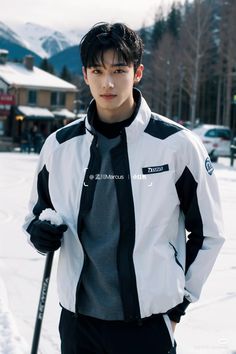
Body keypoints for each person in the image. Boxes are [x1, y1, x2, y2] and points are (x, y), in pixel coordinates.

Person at [23, 22, 224, 354]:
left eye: (119, 69)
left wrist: (178, 306)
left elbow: (209, 233)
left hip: (146, 329)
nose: (109, 82)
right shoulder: (58, 146)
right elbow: (35, 213)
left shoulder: (175, 145)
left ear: (138, 72)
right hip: (78, 326)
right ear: (85, 75)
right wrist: (39, 233)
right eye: (98, 71)